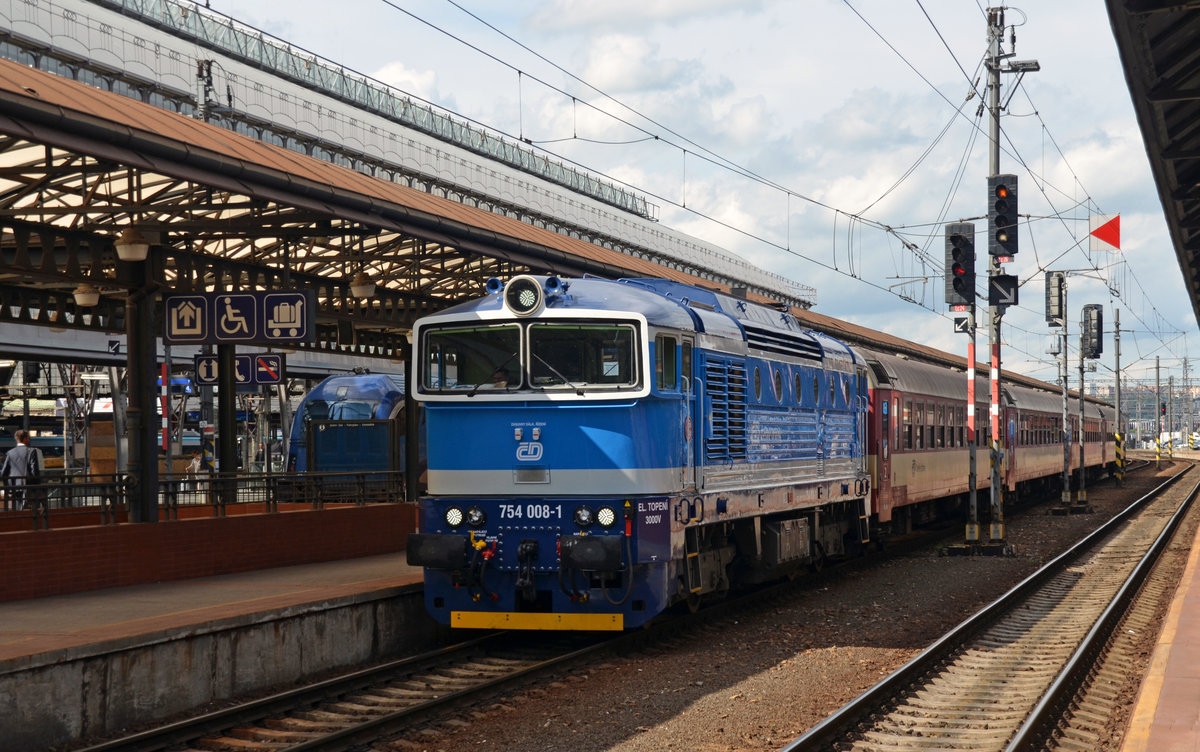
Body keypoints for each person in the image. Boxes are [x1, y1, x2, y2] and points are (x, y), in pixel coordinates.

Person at [1, 429, 39, 511]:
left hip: (14, 488)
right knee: (30, 512)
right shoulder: (31, 451)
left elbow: (4, 473)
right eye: (28, 438)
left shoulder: (10, 453)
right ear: (25, 438)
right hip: (28, 488)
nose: (29, 440)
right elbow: (34, 472)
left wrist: (8, 487)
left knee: (16, 512)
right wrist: (36, 486)